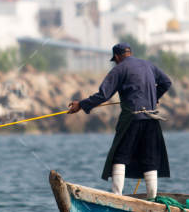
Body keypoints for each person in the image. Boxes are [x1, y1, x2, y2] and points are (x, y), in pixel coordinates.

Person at [67, 43, 172, 197]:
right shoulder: (148, 65)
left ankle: (117, 197)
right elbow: (166, 82)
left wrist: (81, 105)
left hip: (132, 119)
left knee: (119, 157)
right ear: (130, 53)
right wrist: (154, 97)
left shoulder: (119, 69)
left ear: (116, 57)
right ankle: (153, 199)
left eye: (114, 60)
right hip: (151, 120)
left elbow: (103, 95)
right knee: (150, 159)